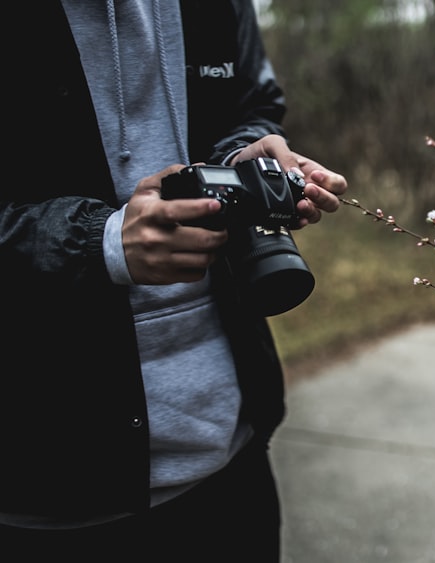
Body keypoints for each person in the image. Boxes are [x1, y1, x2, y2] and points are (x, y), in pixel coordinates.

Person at [0, 1, 348, 561]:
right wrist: (100, 243)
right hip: (46, 491)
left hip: (233, 455)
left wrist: (243, 160)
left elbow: (251, 105)